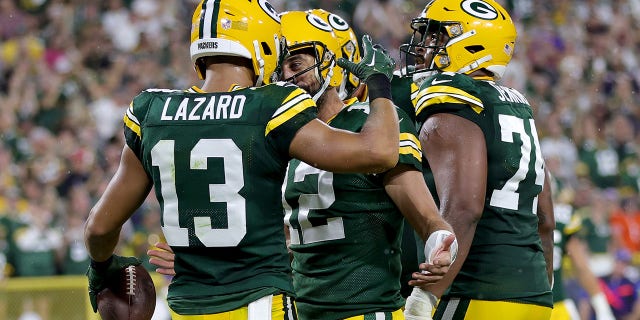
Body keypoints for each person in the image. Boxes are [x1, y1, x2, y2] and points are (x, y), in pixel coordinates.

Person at [83, 0, 401, 319]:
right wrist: (379, 85)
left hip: (186, 308)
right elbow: (380, 152)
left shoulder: (151, 112)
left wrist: (102, 269)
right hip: (260, 305)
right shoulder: (270, 106)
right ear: (263, 43)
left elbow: (98, 228)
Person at [148, 9, 458, 320]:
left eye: (296, 64)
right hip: (295, 310)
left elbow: (427, 217)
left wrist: (439, 245)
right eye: (278, 66)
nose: (284, 76)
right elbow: (288, 238)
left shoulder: (369, 126)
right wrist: (212, 257)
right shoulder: (273, 133)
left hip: (363, 311)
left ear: (335, 66)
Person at [400, 1, 556, 319]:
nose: (423, 47)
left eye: (435, 37)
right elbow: (545, 220)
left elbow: (465, 208)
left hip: (472, 292)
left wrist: (425, 297)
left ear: (470, 43)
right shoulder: (516, 105)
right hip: (532, 296)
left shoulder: (452, 96)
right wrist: (538, 290)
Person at [551, 191, 615, 320]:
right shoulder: (563, 216)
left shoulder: (510, 214)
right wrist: (602, 307)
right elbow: (580, 265)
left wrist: (602, 307)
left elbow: (581, 264)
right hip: (552, 301)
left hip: (523, 298)